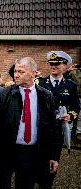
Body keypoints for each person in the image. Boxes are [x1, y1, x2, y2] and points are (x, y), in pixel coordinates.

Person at [0, 57, 62, 189]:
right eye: (15, 71)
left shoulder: (46, 96)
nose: (16, 75)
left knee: (25, 184)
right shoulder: (4, 94)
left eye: (21, 72)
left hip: (31, 152)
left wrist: (54, 155)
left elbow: (54, 128)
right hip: (5, 151)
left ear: (34, 73)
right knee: (0, 183)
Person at [38, 51, 79, 187]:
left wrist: (70, 115)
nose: (53, 66)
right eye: (51, 64)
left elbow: (76, 107)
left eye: (57, 64)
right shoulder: (40, 83)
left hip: (58, 132)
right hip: (39, 130)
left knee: (51, 167)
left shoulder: (71, 85)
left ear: (65, 66)